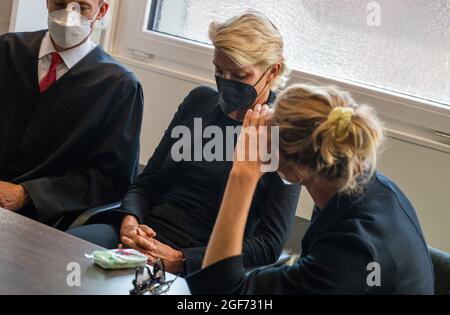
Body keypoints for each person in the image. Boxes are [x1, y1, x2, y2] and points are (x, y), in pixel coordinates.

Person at [68, 11, 301, 276]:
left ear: (273, 71)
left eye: (239, 75)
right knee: (60, 254)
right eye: (218, 70)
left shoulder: (283, 133)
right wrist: (130, 221)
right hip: (143, 234)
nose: (226, 82)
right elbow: (149, 180)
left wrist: (181, 259)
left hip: (205, 260)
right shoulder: (199, 102)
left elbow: (269, 245)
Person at [186, 84, 435, 294]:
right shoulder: (376, 187)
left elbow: (215, 296)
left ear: (298, 167)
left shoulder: (349, 256)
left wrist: (243, 173)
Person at [0, 0, 143, 227]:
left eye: (82, 7)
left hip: (44, 214)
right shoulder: (8, 49)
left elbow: (110, 179)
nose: (68, 15)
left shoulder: (118, 86)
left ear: (101, 11)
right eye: (60, 3)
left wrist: (27, 193)